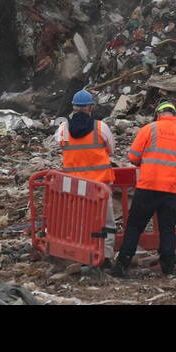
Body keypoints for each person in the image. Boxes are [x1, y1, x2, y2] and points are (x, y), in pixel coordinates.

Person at [112, 101, 176, 277]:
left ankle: (122, 264)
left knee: (135, 226)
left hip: (148, 187)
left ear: (158, 114)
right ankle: (168, 266)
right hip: (172, 189)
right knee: (168, 228)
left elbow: (133, 156)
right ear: (174, 116)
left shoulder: (149, 129)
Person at [54, 89, 117, 259]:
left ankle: (82, 255)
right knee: (105, 223)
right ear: (91, 108)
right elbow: (111, 149)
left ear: (73, 107)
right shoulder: (100, 127)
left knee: (80, 223)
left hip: (76, 187)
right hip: (100, 186)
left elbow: (60, 144)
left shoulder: (63, 129)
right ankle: (105, 256)